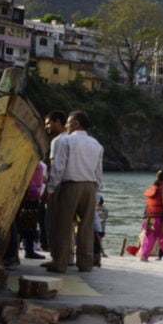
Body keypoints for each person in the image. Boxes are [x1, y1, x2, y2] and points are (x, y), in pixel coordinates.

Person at [45, 110, 104, 273]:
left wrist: (51, 188)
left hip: (70, 185)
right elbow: (99, 171)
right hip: (90, 186)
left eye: (68, 123)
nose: (66, 126)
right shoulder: (96, 144)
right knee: (86, 226)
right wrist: (96, 189)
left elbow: (59, 167)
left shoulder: (67, 141)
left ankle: (60, 263)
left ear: (76, 124)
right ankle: (85, 263)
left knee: (63, 225)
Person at [40, 110, 68, 263]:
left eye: (48, 123)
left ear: (58, 121)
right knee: (67, 224)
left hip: (58, 186)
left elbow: (55, 167)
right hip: (70, 185)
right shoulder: (72, 139)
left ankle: (56, 258)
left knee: (52, 222)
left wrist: (50, 189)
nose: (46, 127)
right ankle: (67, 257)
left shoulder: (58, 141)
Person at [140, 169, 163, 262]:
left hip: (148, 218)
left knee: (149, 238)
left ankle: (144, 256)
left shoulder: (151, 189)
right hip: (161, 219)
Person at [18, 161, 46, 260]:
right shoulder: (36, 163)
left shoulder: (40, 165)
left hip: (31, 196)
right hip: (28, 196)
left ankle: (27, 250)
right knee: (26, 224)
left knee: (29, 225)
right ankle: (27, 250)